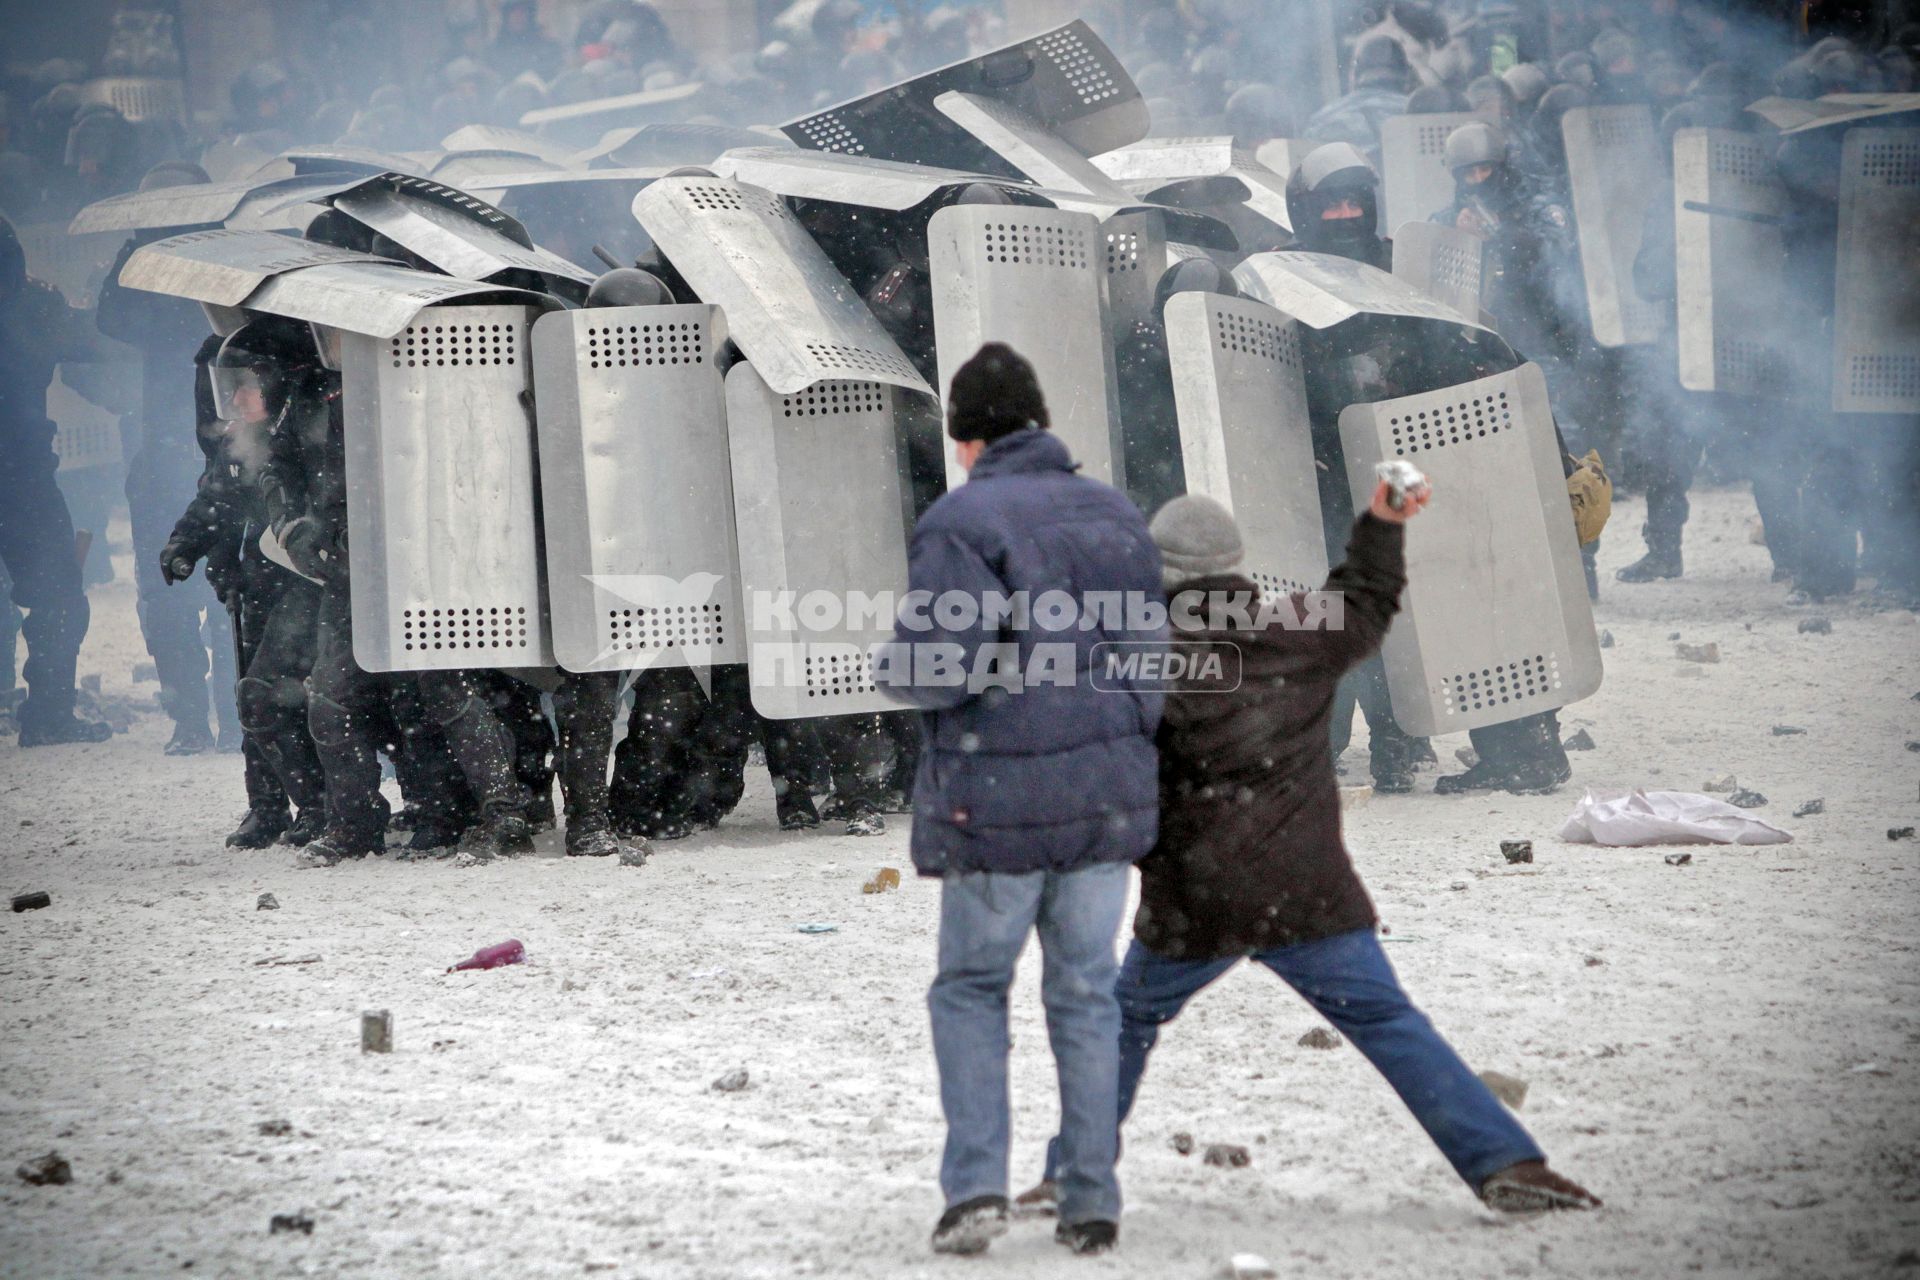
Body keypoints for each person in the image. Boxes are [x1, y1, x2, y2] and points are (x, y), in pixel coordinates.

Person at [1019, 489, 1602, 1217]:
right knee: (1389, 1024)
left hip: (1192, 900)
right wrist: (1383, 523)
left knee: (1123, 1022)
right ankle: (1507, 1162)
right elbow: (1366, 595)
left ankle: (1072, 1173)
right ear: (1236, 566)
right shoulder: (1299, 632)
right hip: (1306, 891)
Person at [877, 343, 1163, 1258]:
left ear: (965, 438)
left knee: (971, 988)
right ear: (1039, 423)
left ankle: (975, 1191)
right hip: (1102, 804)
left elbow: (940, 666)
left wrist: (888, 666)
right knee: (1085, 995)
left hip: (994, 799)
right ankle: (1090, 1197)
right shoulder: (1115, 512)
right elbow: (1152, 668)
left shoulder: (962, 521)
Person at [0, 214, 112, 747]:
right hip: (23, 476)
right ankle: (47, 712)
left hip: (25, 475)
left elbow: (97, 344)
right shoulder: (34, 305)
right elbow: (100, 344)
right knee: (59, 598)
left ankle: (48, 713)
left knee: (60, 597)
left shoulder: (35, 306)